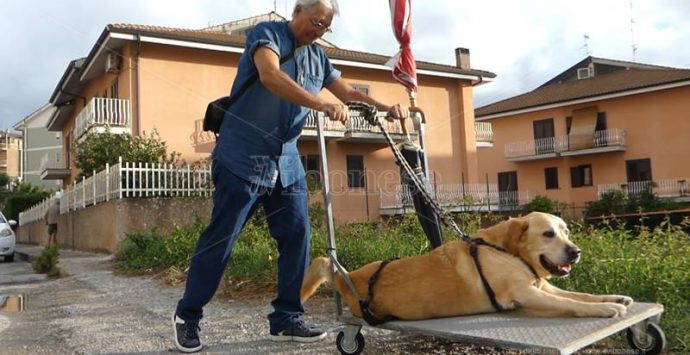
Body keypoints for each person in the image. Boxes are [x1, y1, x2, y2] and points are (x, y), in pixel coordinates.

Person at [172, 0, 409, 352]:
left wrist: (385, 108)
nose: (318, 31)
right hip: (243, 156)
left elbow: (345, 92)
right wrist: (320, 104)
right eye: (315, 22)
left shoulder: (318, 57)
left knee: (297, 235)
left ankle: (286, 319)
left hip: (286, 162)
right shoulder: (267, 34)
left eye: (325, 27)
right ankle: (187, 316)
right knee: (222, 239)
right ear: (297, 11)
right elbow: (270, 76)